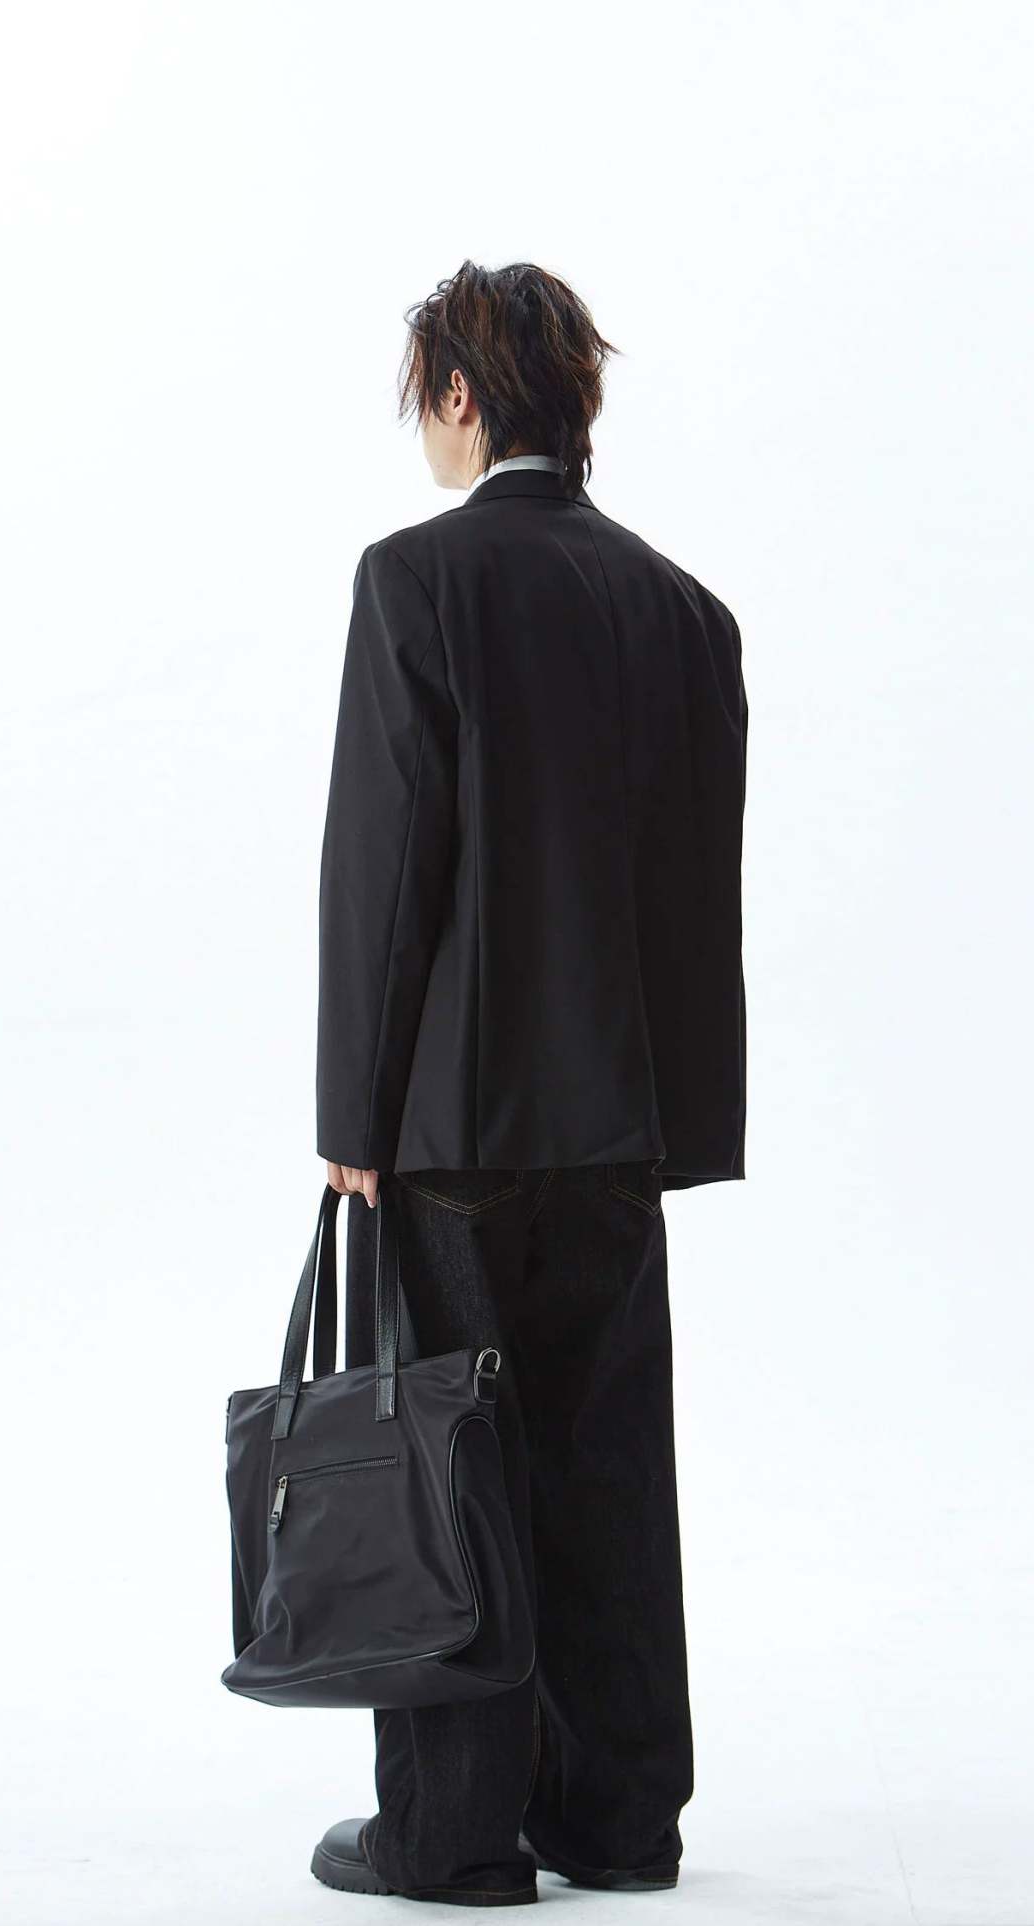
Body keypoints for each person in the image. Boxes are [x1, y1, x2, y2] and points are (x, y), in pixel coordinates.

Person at [309, 260, 747, 1906]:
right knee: (606, 1464)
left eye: (423, 396)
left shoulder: (416, 580)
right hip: (616, 1127)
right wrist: (678, 1125)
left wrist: (353, 1118)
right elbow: (691, 895)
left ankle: (451, 1832)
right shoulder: (682, 608)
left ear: (458, 394)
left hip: (454, 1126)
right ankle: (619, 1820)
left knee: (450, 1467)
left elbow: (387, 868)